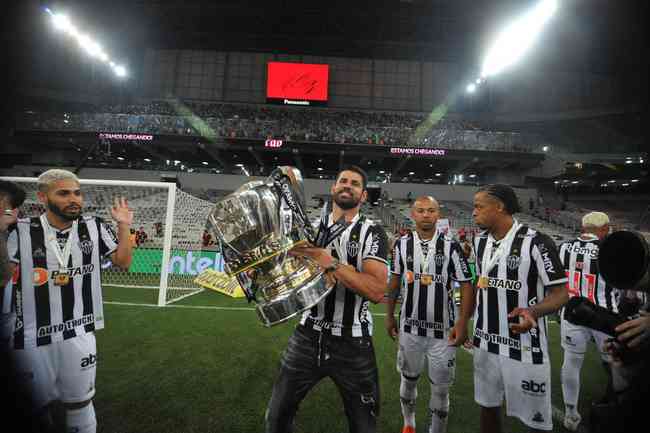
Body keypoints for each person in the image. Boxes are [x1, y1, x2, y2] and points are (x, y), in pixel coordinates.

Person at [5, 169, 133, 433]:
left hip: (79, 329)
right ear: (43, 197)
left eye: (77, 193)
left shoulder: (94, 226)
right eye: (63, 193)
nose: (73, 199)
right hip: (30, 335)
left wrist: (123, 225)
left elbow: (123, 262)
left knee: (80, 404)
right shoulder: (22, 231)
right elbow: (4, 275)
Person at [265, 165, 388, 433]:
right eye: (342, 180)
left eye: (355, 183)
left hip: (353, 341)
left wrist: (329, 261)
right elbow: (287, 273)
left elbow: (377, 290)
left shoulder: (373, 232)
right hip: (307, 334)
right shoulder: (307, 229)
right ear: (333, 189)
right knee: (276, 420)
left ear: (363, 195)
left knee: (364, 425)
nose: (347, 185)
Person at [471, 184, 569, 433]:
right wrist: (465, 323)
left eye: (479, 206)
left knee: (535, 420)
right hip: (485, 342)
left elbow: (560, 294)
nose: (474, 212)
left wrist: (533, 312)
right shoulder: (479, 242)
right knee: (488, 407)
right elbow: (478, 284)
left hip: (525, 347)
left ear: (499, 207)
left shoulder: (537, 242)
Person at [386, 196, 474, 433]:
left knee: (441, 389)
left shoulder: (452, 246)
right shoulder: (401, 245)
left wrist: (463, 322)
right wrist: (389, 315)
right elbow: (394, 281)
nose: (426, 215)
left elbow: (466, 284)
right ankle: (409, 423)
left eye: (431, 210)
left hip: (443, 332)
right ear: (413, 214)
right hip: (409, 329)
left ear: (439, 214)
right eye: (421, 211)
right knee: (408, 380)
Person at [557, 211, 619, 431]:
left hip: (572, 312)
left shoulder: (564, 247)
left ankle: (571, 414)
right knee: (614, 362)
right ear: (603, 229)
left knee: (571, 361)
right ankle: (615, 405)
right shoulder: (609, 249)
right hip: (604, 313)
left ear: (583, 227)